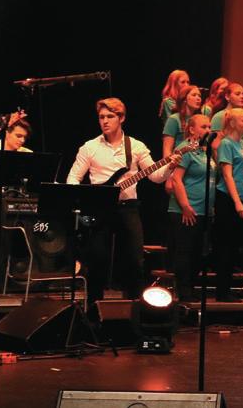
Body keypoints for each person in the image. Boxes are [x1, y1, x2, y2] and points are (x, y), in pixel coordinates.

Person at [67, 97, 178, 306]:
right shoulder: (89, 147)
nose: (105, 121)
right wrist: (83, 199)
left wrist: (170, 166)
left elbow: (155, 176)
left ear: (122, 118)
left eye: (110, 116)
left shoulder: (135, 146)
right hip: (100, 210)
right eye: (101, 117)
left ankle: (134, 307)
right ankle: (93, 308)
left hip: (128, 208)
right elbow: (73, 178)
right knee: (97, 260)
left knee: (135, 260)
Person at [168, 114, 216, 302]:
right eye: (203, 126)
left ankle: (192, 288)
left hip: (204, 211)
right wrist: (185, 206)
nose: (208, 130)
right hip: (185, 211)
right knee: (185, 252)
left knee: (198, 252)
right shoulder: (185, 149)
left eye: (209, 126)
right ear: (192, 129)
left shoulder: (206, 151)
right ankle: (184, 290)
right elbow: (176, 179)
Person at [213, 107, 243, 302]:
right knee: (225, 247)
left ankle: (228, 287)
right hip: (229, 200)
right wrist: (237, 202)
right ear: (232, 123)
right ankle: (222, 290)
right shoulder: (227, 144)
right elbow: (227, 175)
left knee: (235, 247)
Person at [162, 84, 202, 158]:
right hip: (180, 162)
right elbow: (167, 151)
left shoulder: (199, 120)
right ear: (184, 99)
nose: (198, 98)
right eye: (194, 95)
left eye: (199, 96)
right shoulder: (174, 119)